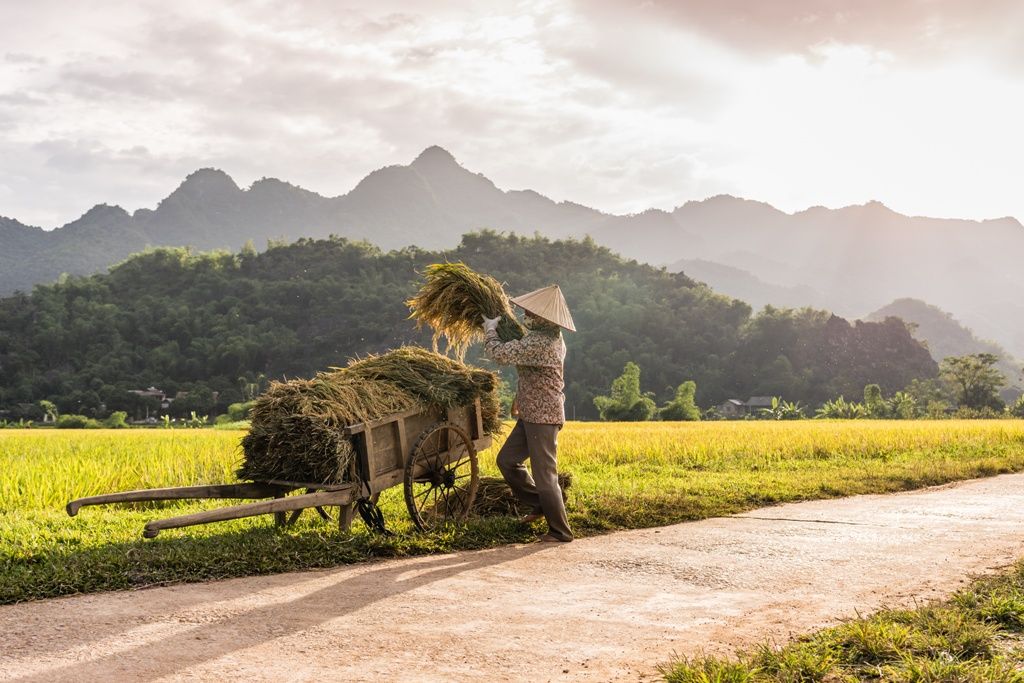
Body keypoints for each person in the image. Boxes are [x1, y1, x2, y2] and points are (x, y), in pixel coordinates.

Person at [481, 284, 575, 542]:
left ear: (544, 319)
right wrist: (519, 397)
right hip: (531, 412)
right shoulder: (548, 337)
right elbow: (536, 374)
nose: (526, 317)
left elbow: (499, 353)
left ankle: (560, 531)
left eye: (531, 314)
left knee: (545, 474)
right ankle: (540, 504)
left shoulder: (541, 342)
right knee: (507, 461)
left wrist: (490, 329)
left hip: (543, 417)